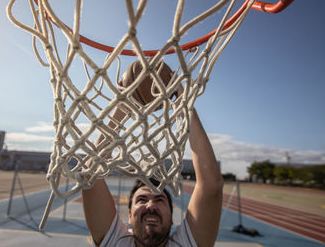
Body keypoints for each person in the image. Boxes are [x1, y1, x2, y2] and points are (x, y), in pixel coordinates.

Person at [82, 103, 223, 246]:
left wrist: (183, 100)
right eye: (142, 200)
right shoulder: (116, 241)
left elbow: (211, 185)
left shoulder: (184, 243)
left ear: (172, 217)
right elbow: (90, 173)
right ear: (129, 216)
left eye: (159, 200)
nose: (150, 205)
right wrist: (124, 102)